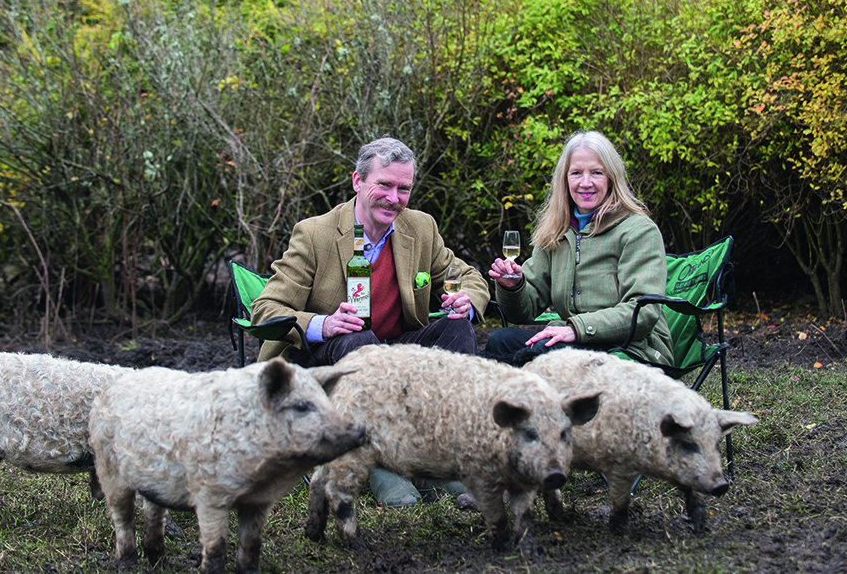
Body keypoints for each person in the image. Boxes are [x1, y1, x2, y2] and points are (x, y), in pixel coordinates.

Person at [250, 136, 489, 507]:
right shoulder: (316, 233)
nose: (394, 198)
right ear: (358, 182)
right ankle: (380, 464)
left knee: (457, 327)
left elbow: (469, 276)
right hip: (329, 357)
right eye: (385, 185)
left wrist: (468, 300)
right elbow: (266, 308)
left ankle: (439, 458)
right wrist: (323, 323)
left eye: (404, 188)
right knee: (358, 340)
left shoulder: (421, 228)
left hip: (395, 351)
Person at [485, 130, 673, 368]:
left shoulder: (638, 230)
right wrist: (513, 287)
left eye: (596, 173)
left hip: (634, 348)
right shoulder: (556, 230)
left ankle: (540, 403)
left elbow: (642, 312)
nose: (586, 183)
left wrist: (578, 328)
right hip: (574, 342)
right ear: (565, 179)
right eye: (576, 173)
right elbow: (525, 310)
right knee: (501, 340)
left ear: (611, 178)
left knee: (547, 353)